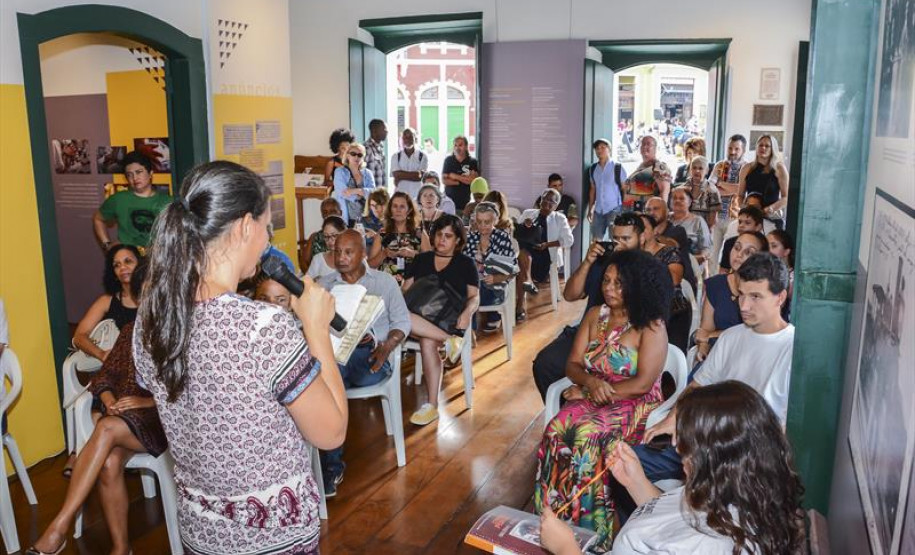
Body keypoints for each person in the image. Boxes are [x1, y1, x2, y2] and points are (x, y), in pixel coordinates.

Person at [134, 160, 346, 554]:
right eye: (267, 228)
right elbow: (330, 433)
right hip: (272, 539)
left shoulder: (151, 318)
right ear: (245, 226)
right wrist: (317, 330)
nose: (268, 241)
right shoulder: (262, 326)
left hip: (202, 534)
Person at [540, 381, 805, 555]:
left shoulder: (709, 546)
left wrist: (565, 548)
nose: (676, 446)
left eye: (686, 440)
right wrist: (636, 482)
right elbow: (676, 521)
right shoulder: (731, 493)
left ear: (715, 455)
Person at [535, 250, 672, 552]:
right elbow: (573, 365)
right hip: (595, 393)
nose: (609, 288)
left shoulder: (651, 325)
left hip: (633, 402)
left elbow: (642, 384)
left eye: (618, 283)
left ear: (636, 286)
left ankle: (593, 531)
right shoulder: (596, 315)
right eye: (606, 281)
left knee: (587, 438)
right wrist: (589, 383)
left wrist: (588, 392)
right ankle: (554, 518)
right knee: (556, 430)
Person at [317, 230, 411, 496]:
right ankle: (327, 464)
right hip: (334, 357)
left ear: (363, 254)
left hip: (372, 359)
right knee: (328, 370)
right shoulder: (324, 285)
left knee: (327, 378)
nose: (341, 258)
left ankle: (329, 466)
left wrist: (387, 346)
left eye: (348, 252)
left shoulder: (383, 282)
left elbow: (402, 321)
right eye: (337, 252)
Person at [530, 213, 644, 400]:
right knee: (545, 363)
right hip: (589, 330)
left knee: (612, 369)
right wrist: (588, 261)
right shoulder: (602, 262)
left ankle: (589, 404)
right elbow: (570, 295)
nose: (620, 244)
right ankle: (566, 408)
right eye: (616, 238)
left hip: (626, 336)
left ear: (641, 238)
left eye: (626, 239)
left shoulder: (645, 269)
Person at [402, 214, 479, 426]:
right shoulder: (421, 259)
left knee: (427, 341)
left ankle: (432, 406)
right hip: (417, 318)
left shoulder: (466, 263)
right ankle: (449, 341)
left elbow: (474, 297)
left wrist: (467, 313)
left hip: (449, 320)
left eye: (448, 236)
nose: (442, 240)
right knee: (403, 317)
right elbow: (406, 290)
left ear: (458, 240)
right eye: (438, 234)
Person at [696, 231, 769, 362]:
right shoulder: (716, 284)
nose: (739, 254)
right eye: (737, 247)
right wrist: (703, 346)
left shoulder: (763, 290)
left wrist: (711, 336)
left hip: (751, 357)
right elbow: (705, 330)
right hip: (718, 353)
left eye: (749, 252)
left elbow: (752, 334)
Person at [515, 190, 574, 320]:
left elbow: (569, 240)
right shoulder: (528, 213)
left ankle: (520, 305)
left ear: (556, 205)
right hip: (527, 252)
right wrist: (524, 225)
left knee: (522, 266)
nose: (546, 202)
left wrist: (547, 244)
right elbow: (515, 232)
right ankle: (527, 283)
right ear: (540, 200)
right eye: (544, 199)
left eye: (551, 201)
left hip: (545, 254)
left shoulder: (559, 218)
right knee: (523, 255)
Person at [93, 151, 170, 250]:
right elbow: (98, 219)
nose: (135, 178)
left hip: (158, 257)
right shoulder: (118, 199)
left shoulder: (168, 202)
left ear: (150, 173)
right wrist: (107, 246)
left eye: (139, 172)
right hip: (127, 256)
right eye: (129, 175)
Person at [639, 214, 691, 354]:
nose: (640, 232)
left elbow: (673, 280)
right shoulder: (630, 254)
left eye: (643, 228)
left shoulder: (669, 252)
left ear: (655, 231)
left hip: (671, 311)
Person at [463, 202, 518, 332]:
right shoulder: (470, 238)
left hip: (493, 290)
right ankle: (469, 333)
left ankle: (469, 334)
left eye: (487, 222)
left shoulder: (502, 238)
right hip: (473, 286)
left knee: (466, 295)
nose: (482, 226)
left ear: (496, 220)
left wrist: (498, 278)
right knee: (464, 291)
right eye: (479, 222)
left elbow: (514, 269)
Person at [707, 134, 747, 273]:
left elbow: (741, 190)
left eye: (736, 149)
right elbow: (710, 188)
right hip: (716, 217)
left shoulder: (747, 167)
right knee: (712, 255)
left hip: (735, 218)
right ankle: (712, 281)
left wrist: (720, 183)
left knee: (730, 254)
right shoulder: (719, 165)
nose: (732, 152)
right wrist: (733, 189)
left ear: (743, 150)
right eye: (730, 148)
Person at [643, 197, 696, 293]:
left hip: (681, 289)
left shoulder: (678, 231)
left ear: (667, 212)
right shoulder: (643, 235)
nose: (651, 213)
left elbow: (668, 245)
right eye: (648, 210)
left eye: (656, 209)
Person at [368, 191, 422, 284]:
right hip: (386, 285)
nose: (398, 210)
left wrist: (413, 254)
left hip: (414, 287)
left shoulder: (419, 234)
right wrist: (384, 253)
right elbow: (369, 266)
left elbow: (431, 261)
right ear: (390, 209)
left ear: (409, 210)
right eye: (395, 206)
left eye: (402, 206)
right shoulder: (382, 234)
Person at [737, 134, 789, 229]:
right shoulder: (746, 168)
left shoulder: (779, 168)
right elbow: (740, 195)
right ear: (756, 147)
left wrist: (770, 209)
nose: (763, 148)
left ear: (772, 149)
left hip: (771, 216)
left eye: (767, 146)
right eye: (760, 145)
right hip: (751, 217)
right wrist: (744, 209)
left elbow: (786, 198)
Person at [587, 138, 628, 241]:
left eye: (602, 147)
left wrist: (624, 209)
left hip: (614, 209)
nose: (599, 150)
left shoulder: (617, 167)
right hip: (598, 210)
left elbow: (625, 189)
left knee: (615, 240)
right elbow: (593, 189)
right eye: (597, 148)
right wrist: (590, 208)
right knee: (596, 241)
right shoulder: (593, 169)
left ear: (609, 149)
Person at [718, 204, 770, 274]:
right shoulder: (730, 243)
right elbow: (723, 271)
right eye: (740, 222)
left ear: (758, 227)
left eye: (747, 223)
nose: (741, 225)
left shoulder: (764, 246)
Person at [623, 136, 672, 210]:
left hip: (649, 211)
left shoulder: (658, 167)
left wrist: (661, 212)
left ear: (655, 149)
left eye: (648, 144)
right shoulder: (641, 167)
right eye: (643, 144)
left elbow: (664, 192)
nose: (645, 146)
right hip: (634, 210)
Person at [332, 142, 375, 226]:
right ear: (347, 155)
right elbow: (342, 192)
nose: (356, 157)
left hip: (366, 218)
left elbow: (373, 193)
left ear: (363, 157)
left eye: (360, 155)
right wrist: (361, 194)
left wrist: (355, 190)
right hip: (348, 219)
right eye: (353, 154)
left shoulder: (368, 173)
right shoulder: (340, 172)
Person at [668, 187, 711, 269]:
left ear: (690, 202)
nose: (677, 201)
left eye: (681, 198)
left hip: (690, 265)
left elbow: (706, 249)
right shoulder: (665, 218)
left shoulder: (698, 221)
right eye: (674, 198)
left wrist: (696, 259)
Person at [301, 197, 344, 272]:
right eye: (325, 212)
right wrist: (312, 277)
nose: (329, 215)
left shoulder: (349, 236)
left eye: (333, 211)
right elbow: (304, 263)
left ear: (340, 213)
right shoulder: (314, 237)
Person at [683, 156, 721, 231]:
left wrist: (707, 231)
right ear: (690, 170)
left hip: (703, 229)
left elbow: (713, 219)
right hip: (684, 228)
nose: (697, 171)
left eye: (700, 168)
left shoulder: (712, 190)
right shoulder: (682, 188)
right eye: (694, 168)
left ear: (706, 171)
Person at [442, 135, 480, 210]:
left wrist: (454, 176)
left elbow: (472, 181)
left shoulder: (472, 162)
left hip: (465, 203)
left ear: (466, 147)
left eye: (460, 145)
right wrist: (462, 181)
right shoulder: (448, 160)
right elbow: (444, 181)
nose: (457, 148)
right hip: (448, 202)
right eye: (455, 145)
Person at [390, 127, 428, 199]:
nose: (407, 139)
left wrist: (401, 175)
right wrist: (415, 174)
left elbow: (420, 176)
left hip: (417, 196)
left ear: (415, 138)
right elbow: (396, 174)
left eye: (410, 136)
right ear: (402, 139)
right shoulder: (396, 156)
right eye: (405, 137)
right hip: (400, 196)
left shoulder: (422, 156)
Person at [305, 216, 346, 280]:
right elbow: (306, 282)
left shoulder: (353, 258)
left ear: (344, 234)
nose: (330, 240)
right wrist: (315, 281)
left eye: (334, 235)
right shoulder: (318, 259)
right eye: (326, 237)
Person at [767, 229, 796, 319]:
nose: (768, 250)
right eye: (766, 246)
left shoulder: (793, 277)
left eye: (774, 246)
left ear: (786, 251)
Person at [323, 128, 355, 194]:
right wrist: (339, 183)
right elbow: (326, 182)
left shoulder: (354, 160)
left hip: (352, 192)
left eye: (348, 146)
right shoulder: (331, 163)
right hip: (337, 193)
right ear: (337, 147)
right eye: (343, 147)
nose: (346, 150)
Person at [364, 119, 388, 189]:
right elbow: (361, 173)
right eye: (384, 129)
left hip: (380, 192)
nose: (387, 131)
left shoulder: (380, 148)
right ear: (374, 131)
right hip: (370, 193)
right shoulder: (366, 148)